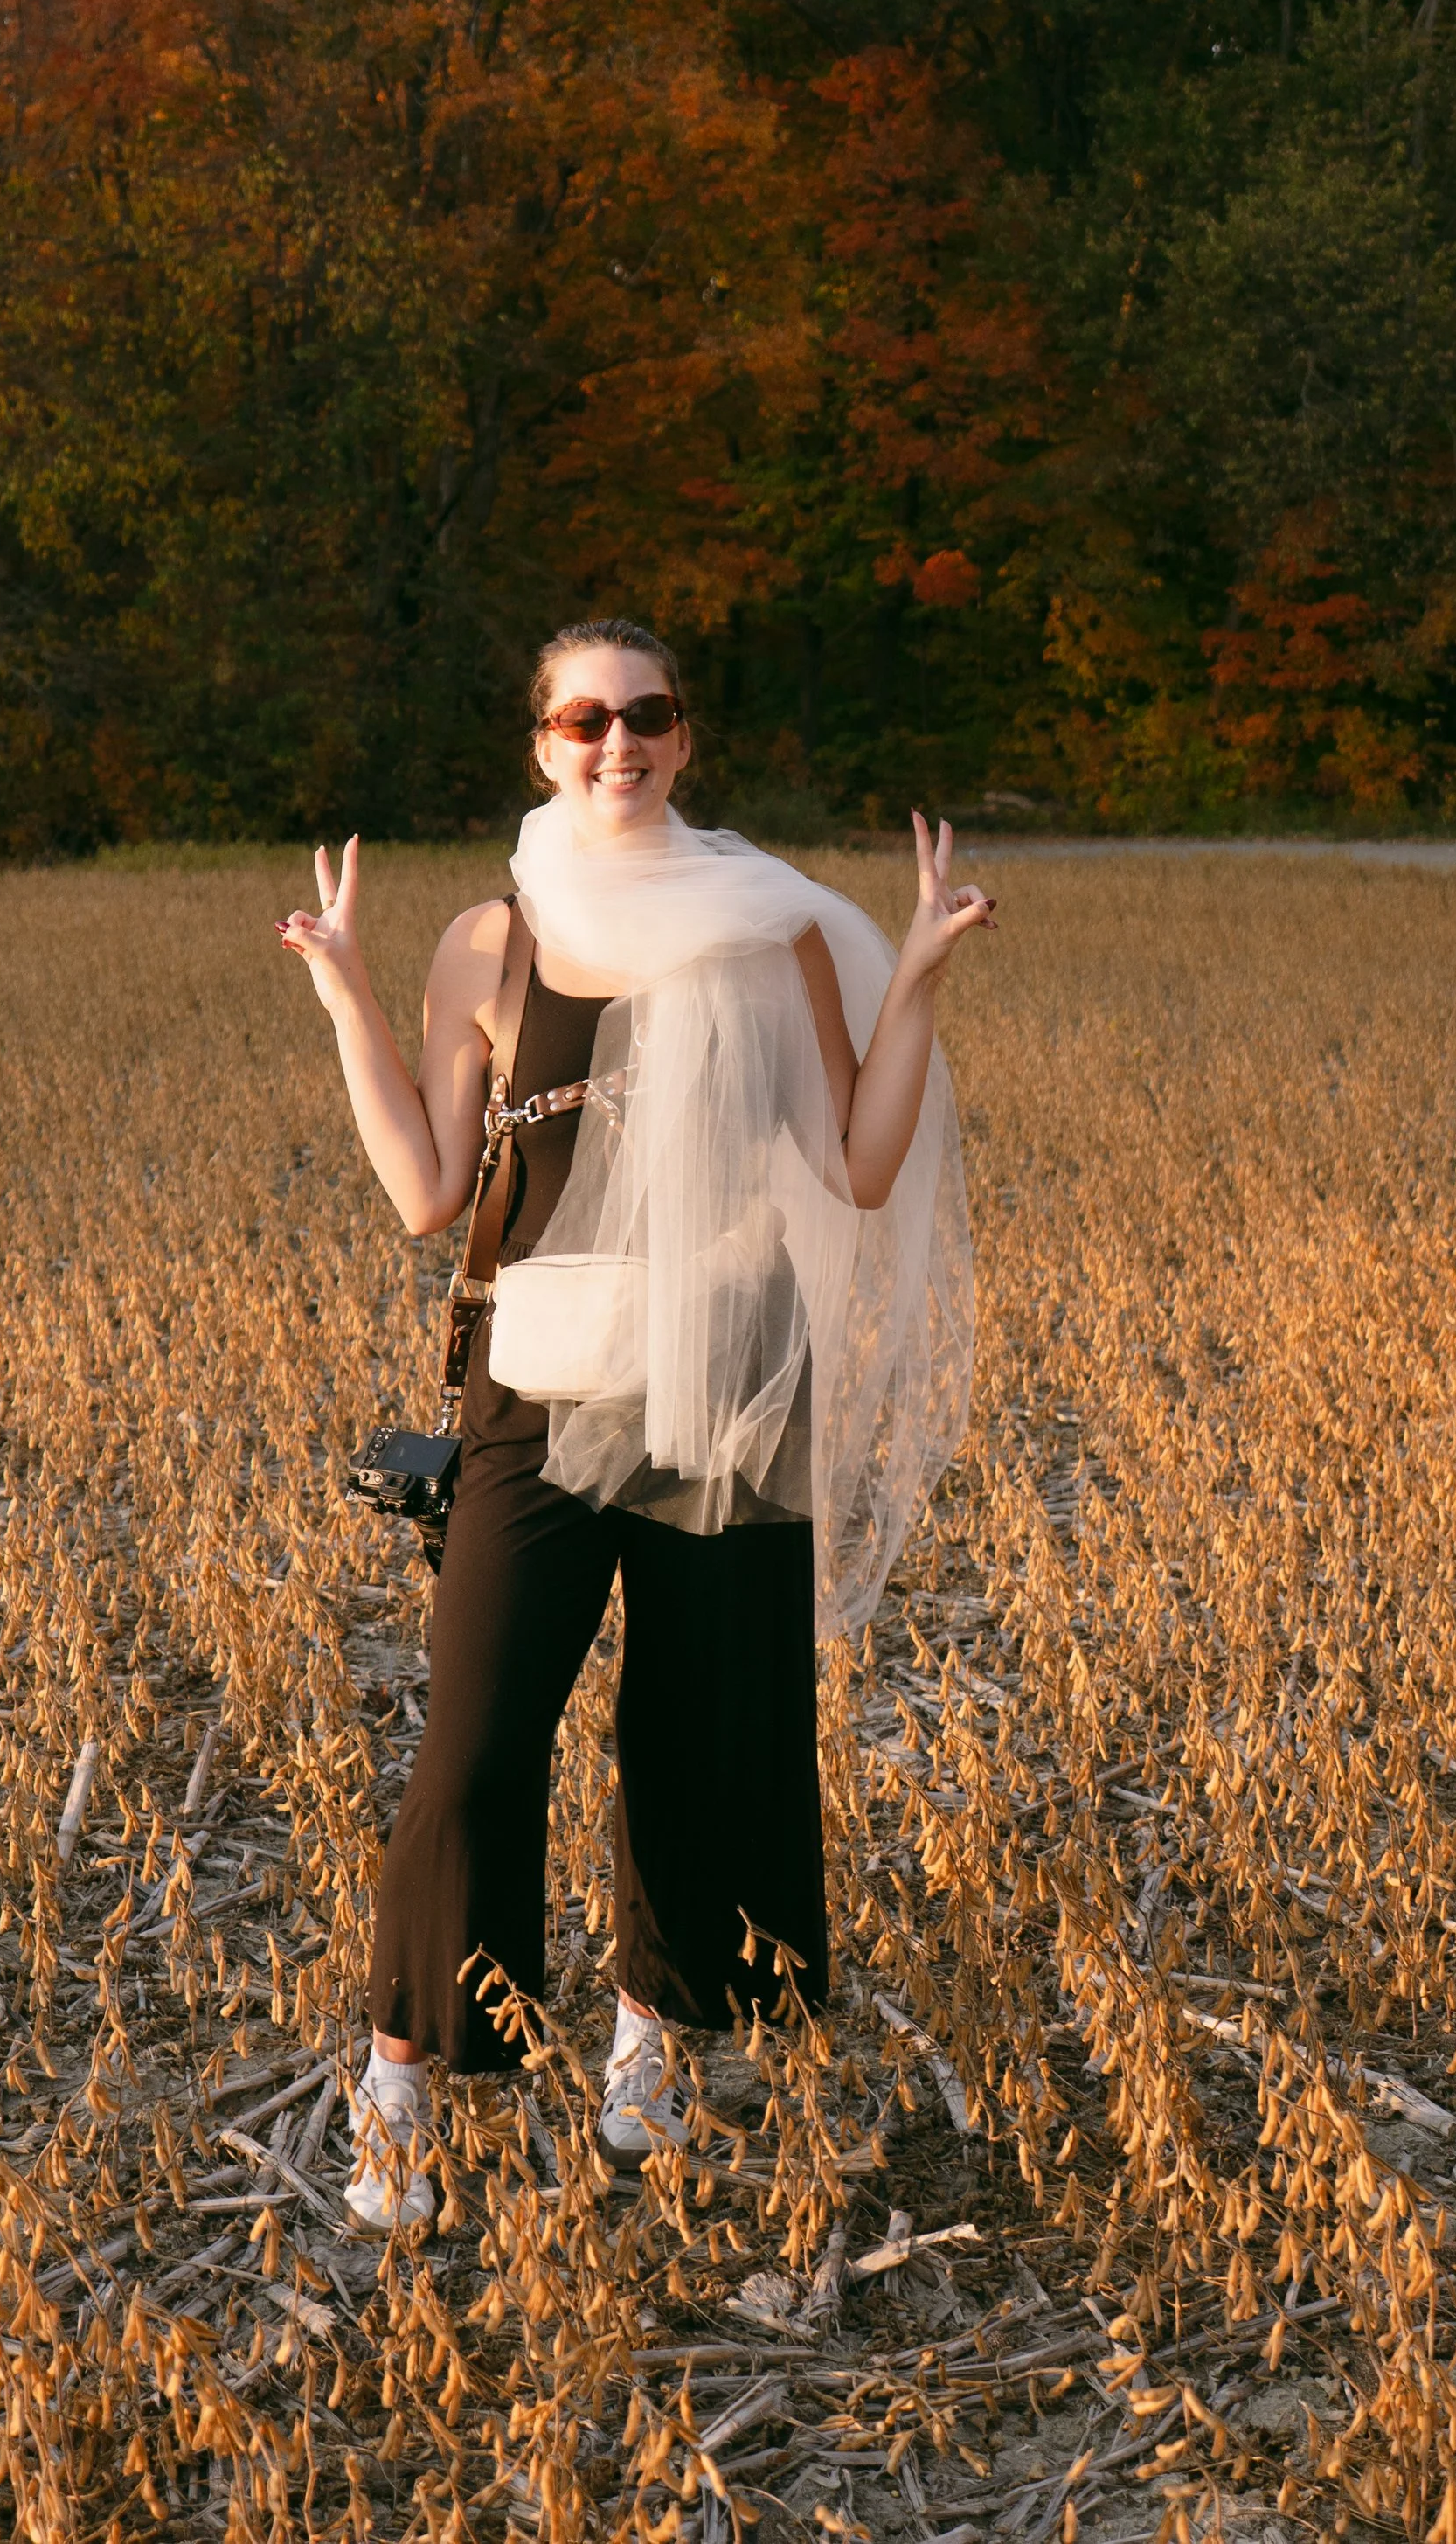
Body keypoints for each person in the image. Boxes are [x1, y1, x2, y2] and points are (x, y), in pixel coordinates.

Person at [277, 618, 986, 2230]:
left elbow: (862, 1168)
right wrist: (343, 991)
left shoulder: (768, 928)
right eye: (583, 717)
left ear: (685, 733)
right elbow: (427, 1192)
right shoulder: (493, 941)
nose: (618, 743)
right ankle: (403, 2073)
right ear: (541, 740)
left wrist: (922, 976)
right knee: (474, 1738)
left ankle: (648, 2045)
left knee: (696, 1734)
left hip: (732, 1377)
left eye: (645, 715)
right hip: (538, 1383)